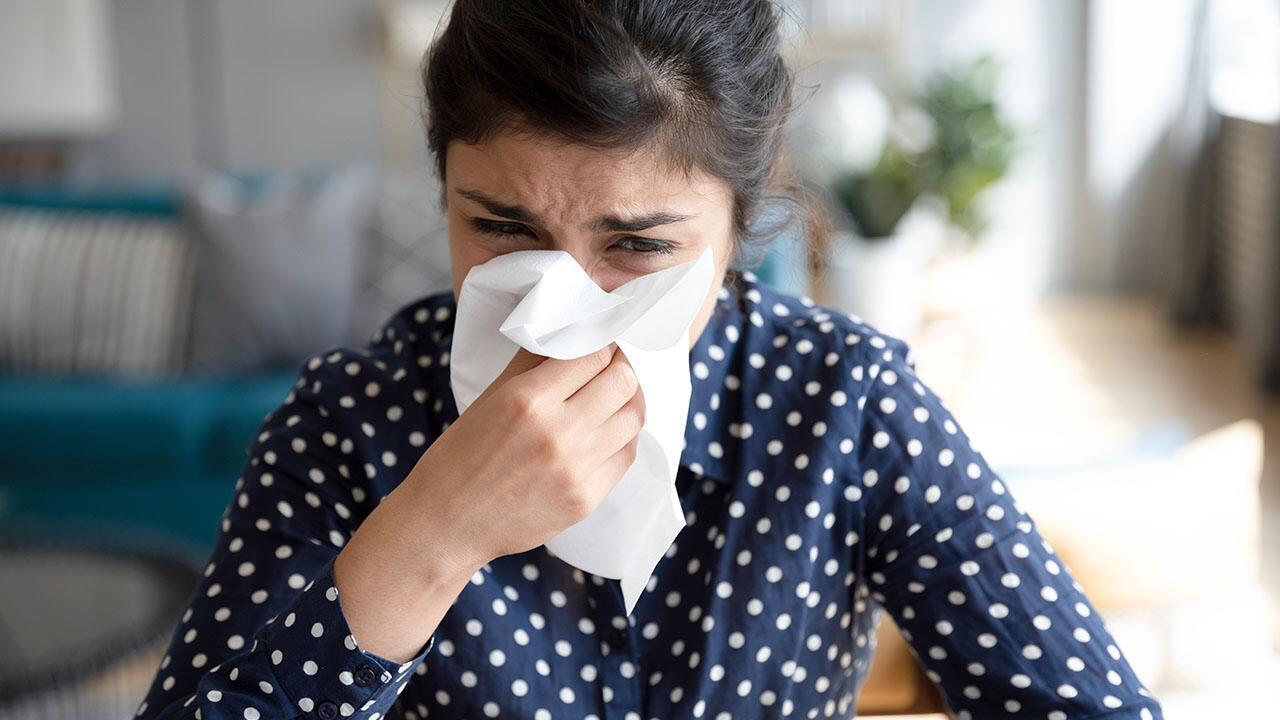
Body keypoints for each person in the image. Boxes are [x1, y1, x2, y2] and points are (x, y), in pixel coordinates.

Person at [137, 1, 1165, 718]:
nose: (555, 309)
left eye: (636, 247)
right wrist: (430, 535)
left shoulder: (844, 405)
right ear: (439, 176)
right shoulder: (347, 427)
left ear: (744, 207)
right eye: (499, 226)